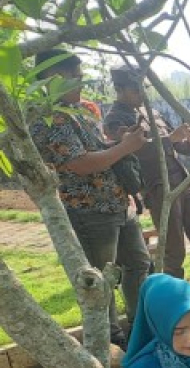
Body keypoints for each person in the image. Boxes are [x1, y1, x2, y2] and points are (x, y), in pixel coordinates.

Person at [29, 49, 152, 345]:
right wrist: (125, 147)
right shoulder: (47, 118)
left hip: (116, 204)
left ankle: (138, 329)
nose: (81, 83)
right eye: (74, 77)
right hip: (90, 212)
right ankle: (111, 339)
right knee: (101, 278)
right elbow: (80, 163)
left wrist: (118, 142)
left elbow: (95, 149)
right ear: (51, 78)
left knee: (137, 263)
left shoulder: (78, 111)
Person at [104, 67, 190, 288]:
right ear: (119, 89)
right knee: (174, 248)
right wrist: (170, 138)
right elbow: (135, 149)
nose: (141, 94)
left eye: (143, 89)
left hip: (183, 180)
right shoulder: (116, 120)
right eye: (135, 89)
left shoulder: (151, 112)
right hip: (158, 186)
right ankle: (174, 295)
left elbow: (176, 143)